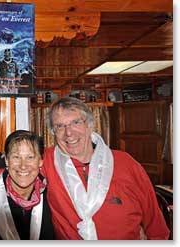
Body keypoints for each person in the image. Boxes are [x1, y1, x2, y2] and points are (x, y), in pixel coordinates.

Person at [42, 96, 170, 240]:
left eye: (75, 122)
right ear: (53, 132)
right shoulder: (46, 161)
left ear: (90, 125)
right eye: (60, 126)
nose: (69, 133)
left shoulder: (126, 163)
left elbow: (156, 226)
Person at [0, 130, 55, 240]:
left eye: (30, 157)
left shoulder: (52, 198)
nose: (23, 166)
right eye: (16, 157)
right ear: (6, 160)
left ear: (40, 161)